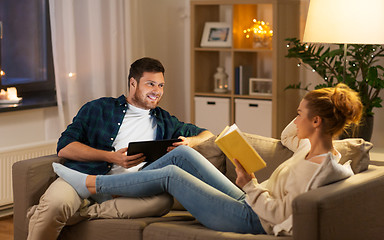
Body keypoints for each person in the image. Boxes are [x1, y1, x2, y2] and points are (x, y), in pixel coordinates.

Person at [53, 83, 363, 236]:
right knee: (184, 153)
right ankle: (101, 185)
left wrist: (251, 185)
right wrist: (315, 107)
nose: (295, 121)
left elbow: (280, 216)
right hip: (250, 201)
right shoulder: (313, 148)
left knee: (172, 175)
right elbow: (289, 136)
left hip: (253, 219)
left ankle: (94, 184)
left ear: (317, 123)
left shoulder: (316, 168)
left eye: (300, 115)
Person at [27, 57, 214, 240]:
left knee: (162, 202)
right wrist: (111, 157)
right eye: (150, 84)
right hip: (82, 178)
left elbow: (207, 134)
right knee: (55, 205)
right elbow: (65, 147)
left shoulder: (165, 120)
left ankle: (78, 214)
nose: (157, 91)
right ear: (133, 83)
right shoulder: (98, 108)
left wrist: (190, 142)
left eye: (161, 85)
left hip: (127, 190)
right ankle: (55, 211)